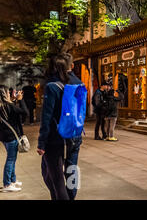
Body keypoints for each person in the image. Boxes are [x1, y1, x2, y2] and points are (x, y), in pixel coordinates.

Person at [37, 54, 71, 200]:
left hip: (53, 138)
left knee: (56, 180)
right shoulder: (68, 86)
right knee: (50, 175)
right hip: (68, 136)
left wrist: (41, 142)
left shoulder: (52, 87)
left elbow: (46, 117)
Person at [60, 52, 84, 200]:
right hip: (76, 129)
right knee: (72, 165)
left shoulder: (58, 82)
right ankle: (72, 194)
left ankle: (62, 194)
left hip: (61, 129)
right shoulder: (79, 82)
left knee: (56, 166)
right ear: (72, 66)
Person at [0, 86, 27, 192]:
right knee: (11, 160)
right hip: (11, 137)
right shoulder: (9, 106)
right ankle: (7, 184)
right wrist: (21, 100)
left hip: (4, 137)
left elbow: (13, 113)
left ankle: (12, 180)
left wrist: (15, 100)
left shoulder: (3, 106)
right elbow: (25, 112)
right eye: (8, 92)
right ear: (5, 94)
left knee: (12, 158)